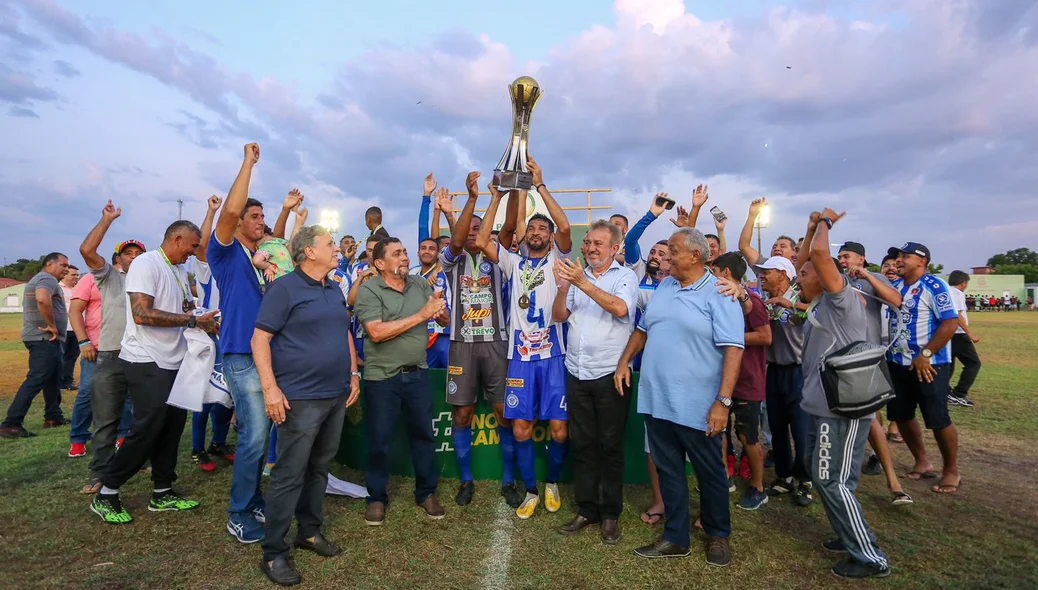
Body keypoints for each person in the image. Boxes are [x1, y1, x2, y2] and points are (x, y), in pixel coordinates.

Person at [616, 228, 743, 567]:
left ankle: (718, 534)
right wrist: (625, 361)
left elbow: (734, 348)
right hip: (657, 400)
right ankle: (675, 537)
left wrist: (723, 401)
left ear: (695, 256)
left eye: (672, 250)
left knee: (709, 472)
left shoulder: (720, 292)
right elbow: (644, 328)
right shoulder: (667, 285)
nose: (666, 256)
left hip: (699, 405)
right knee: (668, 470)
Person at [89, 220, 220, 524]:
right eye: (192, 246)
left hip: (173, 359)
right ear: (177, 239)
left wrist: (198, 315)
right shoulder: (146, 264)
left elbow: (183, 306)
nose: (193, 252)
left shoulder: (178, 268)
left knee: (172, 427)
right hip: (145, 359)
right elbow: (142, 313)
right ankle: (106, 491)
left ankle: (162, 490)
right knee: (147, 429)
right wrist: (190, 322)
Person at [253, 225, 361, 586]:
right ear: (309, 252)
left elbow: (342, 331)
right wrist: (271, 390)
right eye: (331, 244)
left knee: (319, 468)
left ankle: (309, 531)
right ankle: (273, 552)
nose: (338, 248)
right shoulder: (284, 288)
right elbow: (260, 339)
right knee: (289, 473)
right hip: (299, 398)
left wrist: (353, 372)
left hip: (335, 394)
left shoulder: (333, 288)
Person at [474, 156, 573, 519]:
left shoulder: (559, 259)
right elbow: (482, 239)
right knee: (520, 427)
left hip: (554, 355)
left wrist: (541, 186)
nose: (537, 233)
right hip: (519, 356)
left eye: (541, 230)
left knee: (560, 431)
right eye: (531, 228)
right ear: (524, 235)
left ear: (548, 237)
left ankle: (553, 482)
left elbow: (564, 226)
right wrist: (497, 197)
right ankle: (531, 488)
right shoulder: (513, 261)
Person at [796, 209, 890, 579]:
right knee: (834, 476)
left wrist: (825, 224)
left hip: (841, 409)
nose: (799, 274)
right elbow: (810, 258)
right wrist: (809, 230)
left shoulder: (841, 298)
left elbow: (819, 256)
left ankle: (869, 557)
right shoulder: (822, 301)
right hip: (823, 405)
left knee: (830, 478)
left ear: (825, 277)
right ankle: (847, 531)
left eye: (804, 273)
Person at [208, 143, 278, 543]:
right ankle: (239, 511)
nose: (259, 221)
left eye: (262, 216)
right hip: (239, 354)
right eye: (254, 216)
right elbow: (230, 212)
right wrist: (248, 163)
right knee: (253, 434)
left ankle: (252, 500)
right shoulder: (224, 251)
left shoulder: (259, 259)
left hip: (264, 354)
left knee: (261, 432)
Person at [551, 220, 637, 544]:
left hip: (610, 375)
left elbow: (619, 308)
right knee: (583, 443)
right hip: (577, 372)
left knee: (610, 446)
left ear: (615, 249)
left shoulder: (624, 277)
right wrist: (563, 289)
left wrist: (580, 282)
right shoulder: (577, 276)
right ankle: (587, 509)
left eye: (598, 244)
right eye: (587, 243)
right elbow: (560, 315)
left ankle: (611, 513)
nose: (589, 248)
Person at [355, 237, 449, 525]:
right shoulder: (369, 291)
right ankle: (377, 498)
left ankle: (426, 492)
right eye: (397, 254)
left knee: (423, 436)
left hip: (417, 374)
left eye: (405, 252)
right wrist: (421, 315)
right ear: (380, 263)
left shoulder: (420, 284)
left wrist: (440, 312)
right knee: (379, 441)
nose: (405, 257)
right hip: (382, 378)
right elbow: (377, 332)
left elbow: (441, 319)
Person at [440, 173, 520, 508]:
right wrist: (472, 199)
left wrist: (505, 195)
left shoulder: (497, 258)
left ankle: (508, 480)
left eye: (479, 228)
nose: (474, 233)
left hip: (496, 345)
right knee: (462, 414)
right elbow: (457, 240)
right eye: (469, 228)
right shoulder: (452, 260)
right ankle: (466, 480)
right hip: (461, 344)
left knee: (503, 413)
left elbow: (510, 226)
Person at [73, 203, 143, 493]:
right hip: (112, 355)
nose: (135, 258)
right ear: (119, 259)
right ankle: (99, 472)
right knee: (105, 419)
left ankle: (144, 460)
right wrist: (106, 220)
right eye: (129, 253)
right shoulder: (109, 277)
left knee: (144, 416)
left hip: (142, 357)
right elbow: (87, 251)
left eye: (140, 254)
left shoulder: (149, 280)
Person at [886, 242, 961, 494]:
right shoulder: (894, 286)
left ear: (922, 261)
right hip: (897, 362)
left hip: (930, 365)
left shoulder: (934, 285)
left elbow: (950, 323)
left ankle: (951, 469)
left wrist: (926, 354)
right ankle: (922, 460)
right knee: (901, 415)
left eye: (906, 256)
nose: (899, 260)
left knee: (937, 418)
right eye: (898, 256)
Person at [709, 252, 771, 511]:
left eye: (713, 271)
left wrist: (730, 337)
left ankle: (758, 487)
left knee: (748, 436)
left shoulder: (752, 301)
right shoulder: (717, 299)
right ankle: (724, 477)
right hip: (722, 380)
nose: (710, 276)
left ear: (725, 273)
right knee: (718, 431)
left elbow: (765, 337)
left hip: (747, 381)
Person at [754, 255, 813, 505]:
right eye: (761, 272)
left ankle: (805, 480)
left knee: (800, 429)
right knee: (776, 426)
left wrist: (788, 304)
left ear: (783, 273)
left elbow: (817, 312)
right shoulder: (765, 300)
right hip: (774, 370)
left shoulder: (800, 296)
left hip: (798, 371)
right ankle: (784, 475)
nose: (762, 276)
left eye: (767, 272)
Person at [0, 252, 70, 438]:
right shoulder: (47, 279)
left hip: (45, 339)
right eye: (63, 265)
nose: (66, 269)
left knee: (52, 378)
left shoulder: (44, 278)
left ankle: (53, 416)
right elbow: (42, 298)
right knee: (37, 379)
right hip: (43, 338)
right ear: (49, 264)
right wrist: (52, 326)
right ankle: (11, 423)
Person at [189, 195, 235, 472]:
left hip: (232, 335)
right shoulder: (207, 269)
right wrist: (211, 212)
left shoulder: (235, 265)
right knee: (203, 396)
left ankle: (218, 442)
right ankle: (197, 448)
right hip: (209, 336)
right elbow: (203, 244)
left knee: (228, 394)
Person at [409, 237, 451, 369]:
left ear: (438, 254)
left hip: (443, 335)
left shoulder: (448, 272)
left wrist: (440, 266)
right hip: (419, 335)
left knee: (451, 379)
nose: (427, 252)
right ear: (417, 253)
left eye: (432, 249)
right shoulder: (411, 274)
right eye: (423, 248)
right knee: (422, 379)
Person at [947, 271, 981, 408]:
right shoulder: (957, 293)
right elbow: (957, 314)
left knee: (948, 365)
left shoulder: (946, 291)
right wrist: (970, 333)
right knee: (973, 363)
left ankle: (944, 392)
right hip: (958, 334)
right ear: (964, 283)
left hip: (946, 334)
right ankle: (958, 394)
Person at [739, 197, 798, 266]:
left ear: (794, 252)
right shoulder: (765, 266)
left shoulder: (801, 271)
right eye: (774, 247)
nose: (777, 249)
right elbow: (744, 246)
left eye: (783, 246)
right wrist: (752, 215)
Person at [59, 265, 81, 390]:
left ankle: (68, 382)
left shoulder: (79, 289)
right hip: (62, 328)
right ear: (65, 275)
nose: (76, 277)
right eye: (73, 275)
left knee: (72, 357)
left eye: (77, 275)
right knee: (60, 356)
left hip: (77, 329)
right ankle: (57, 382)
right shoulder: (57, 288)